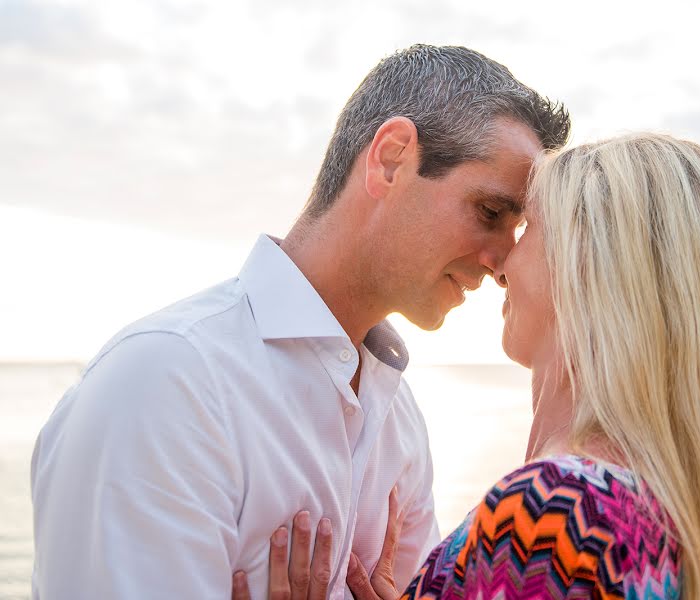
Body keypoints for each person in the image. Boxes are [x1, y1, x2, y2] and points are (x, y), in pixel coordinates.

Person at [29, 44, 570, 599]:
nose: (505, 262)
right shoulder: (167, 383)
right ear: (390, 159)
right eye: (490, 212)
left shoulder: (398, 420)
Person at [245, 134, 700, 600]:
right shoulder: (669, 512)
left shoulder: (558, 511)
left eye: (529, 228)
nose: (501, 262)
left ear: (589, 266)